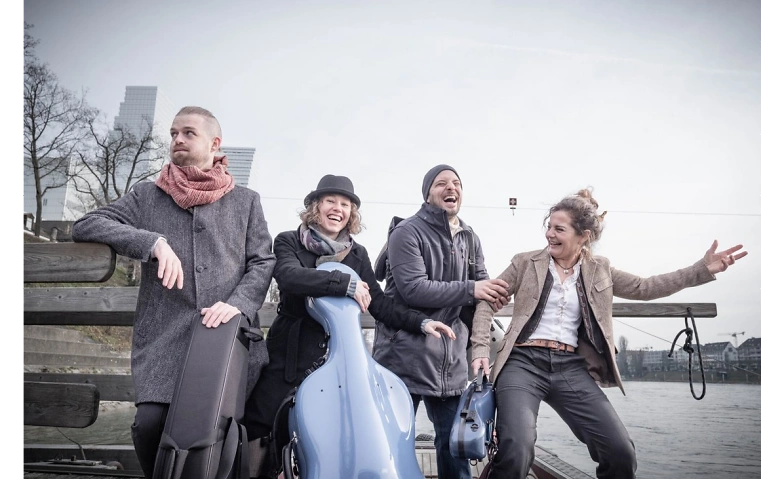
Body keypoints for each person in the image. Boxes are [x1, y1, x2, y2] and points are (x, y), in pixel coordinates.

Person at [470, 188, 747, 479]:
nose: (550, 234)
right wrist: (480, 350)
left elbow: (646, 287)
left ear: (584, 236)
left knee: (620, 452)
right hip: (523, 364)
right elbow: (486, 301)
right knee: (517, 448)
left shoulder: (599, 269)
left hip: (570, 368)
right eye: (548, 227)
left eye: (559, 229)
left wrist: (701, 269)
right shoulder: (525, 262)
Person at [71, 106, 276, 478]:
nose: (177, 139)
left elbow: (263, 261)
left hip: (227, 337)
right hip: (164, 338)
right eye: (173, 133)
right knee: (149, 424)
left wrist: (237, 305)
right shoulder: (148, 195)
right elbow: (87, 223)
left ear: (214, 144)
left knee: (221, 433)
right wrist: (152, 243)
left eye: (188, 133)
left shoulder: (246, 201)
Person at [243, 174, 457, 479]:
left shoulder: (357, 254)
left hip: (341, 361)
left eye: (345, 204)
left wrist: (421, 322)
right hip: (290, 352)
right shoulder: (288, 240)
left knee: (335, 432)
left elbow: (380, 305)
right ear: (315, 207)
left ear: (351, 213)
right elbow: (289, 277)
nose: (338, 209)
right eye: (330, 201)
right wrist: (343, 283)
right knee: (260, 420)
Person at [372, 164, 510, 479]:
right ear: (427, 193)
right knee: (391, 443)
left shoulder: (470, 237)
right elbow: (413, 288)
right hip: (403, 356)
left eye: (456, 183)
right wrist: (472, 289)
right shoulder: (406, 232)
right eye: (441, 183)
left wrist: (491, 297)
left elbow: (482, 285)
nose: (451, 188)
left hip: (451, 360)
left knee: (455, 446)